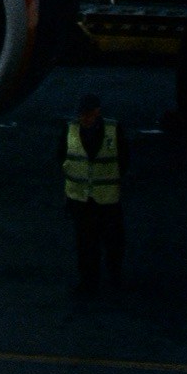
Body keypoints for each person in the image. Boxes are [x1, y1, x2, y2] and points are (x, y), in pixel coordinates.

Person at [64, 91, 125, 294]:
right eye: (82, 115)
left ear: (97, 113)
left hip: (106, 199)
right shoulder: (70, 130)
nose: (84, 119)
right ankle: (89, 282)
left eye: (88, 114)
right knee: (86, 245)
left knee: (111, 243)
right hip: (82, 200)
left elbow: (124, 159)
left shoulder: (113, 130)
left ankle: (113, 279)